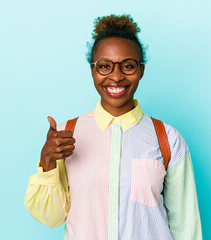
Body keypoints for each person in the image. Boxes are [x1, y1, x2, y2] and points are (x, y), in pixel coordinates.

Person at [24, 14, 202, 240]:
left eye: (128, 66)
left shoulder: (168, 139)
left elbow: (187, 228)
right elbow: (50, 218)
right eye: (105, 66)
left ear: (141, 71)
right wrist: (47, 160)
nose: (116, 76)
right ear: (92, 71)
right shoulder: (65, 135)